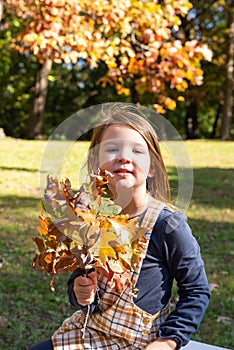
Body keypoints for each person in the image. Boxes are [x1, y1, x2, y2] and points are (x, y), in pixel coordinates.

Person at [29, 103, 210, 350]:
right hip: (89, 334)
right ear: (96, 163)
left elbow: (197, 290)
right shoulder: (90, 217)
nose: (124, 157)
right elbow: (81, 278)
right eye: (112, 149)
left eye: (137, 151)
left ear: (153, 168)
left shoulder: (167, 225)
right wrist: (79, 290)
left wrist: (167, 342)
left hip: (142, 343)